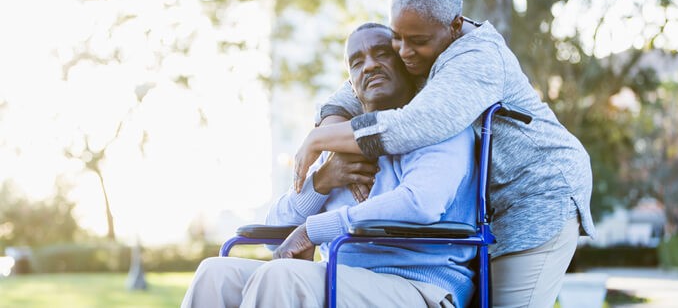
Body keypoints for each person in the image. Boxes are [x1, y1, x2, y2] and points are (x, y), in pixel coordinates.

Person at [294, 0, 596, 308]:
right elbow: (348, 94)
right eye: (397, 38)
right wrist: (334, 140)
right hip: (487, 207)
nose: (404, 52)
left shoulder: (476, 58)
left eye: (417, 41)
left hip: (537, 192)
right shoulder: (417, 46)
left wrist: (318, 141)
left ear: (454, 25)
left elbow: (412, 126)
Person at [181, 23, 479, 308]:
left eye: (382, 53)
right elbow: (275, 236)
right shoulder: (339, 140)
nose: (370, 65)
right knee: (214, 274)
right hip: (340, 279)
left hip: (419, 285)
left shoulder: (438, 124)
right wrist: (321, 182)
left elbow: (420, 203)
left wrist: (314, 230)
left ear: (406, 62)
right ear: (352, 86)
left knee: (281, 277)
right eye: (357, 62)